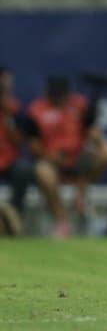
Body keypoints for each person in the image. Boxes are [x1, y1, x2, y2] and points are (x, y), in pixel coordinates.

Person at [24, 76, 107, 238]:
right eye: (55, 95)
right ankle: (62, 221)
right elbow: (33, 143)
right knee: (42, 172)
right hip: (52, 160)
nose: (59, 98)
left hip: (78, 156)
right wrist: (49, 156)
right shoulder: (37, 110)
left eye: (62, 95)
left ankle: (80, 197)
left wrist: (99, 143)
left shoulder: (79, 105)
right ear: (48, 93)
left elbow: (91, 130)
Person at [0, 67, 31, 222]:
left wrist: (7, 116)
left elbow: (19, 142)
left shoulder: (13, 108)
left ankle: (14, 215)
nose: (7, 85)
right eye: (4, 81)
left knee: (23, 169)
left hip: (8, 161)